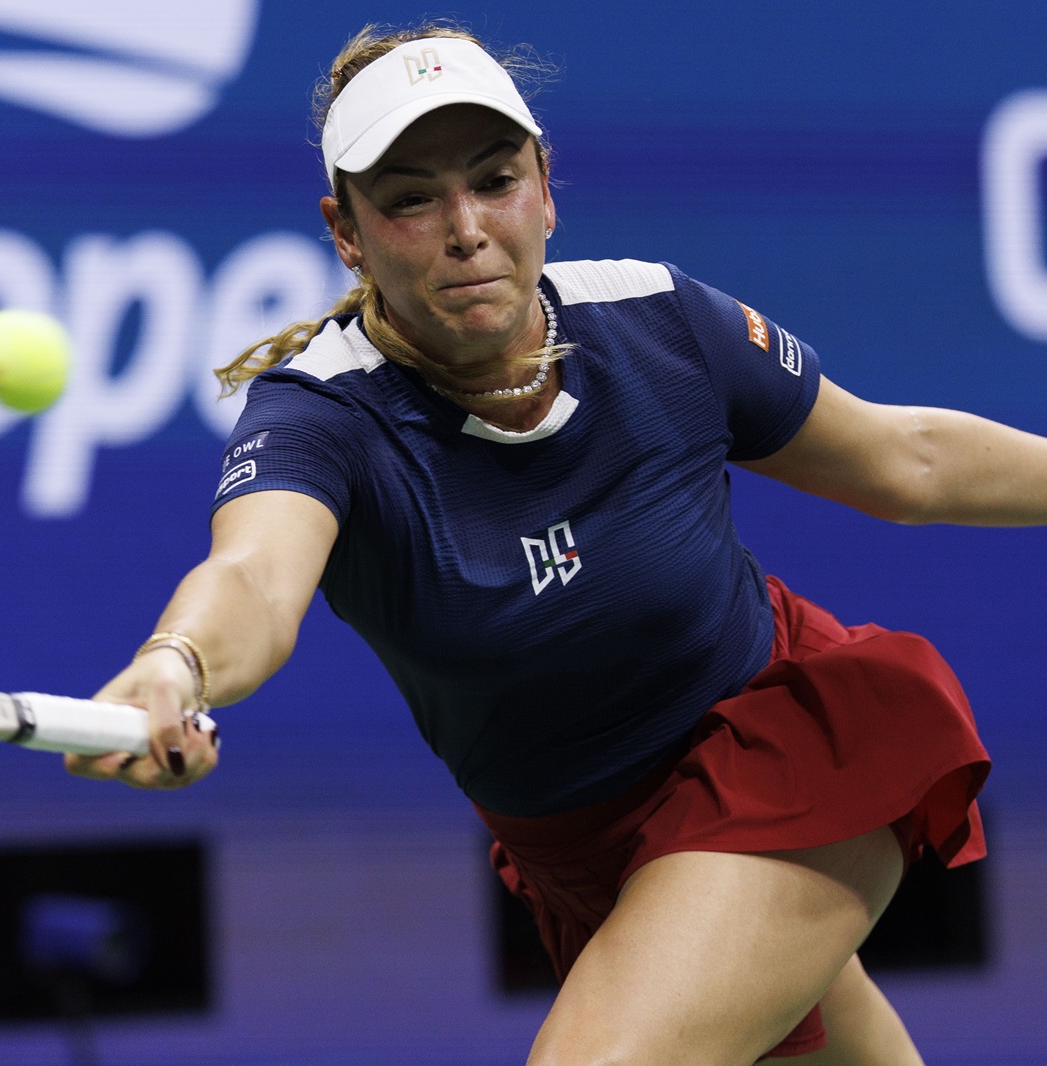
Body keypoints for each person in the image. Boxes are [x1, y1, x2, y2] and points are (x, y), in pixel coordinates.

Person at [64, 21, 1028, 1064]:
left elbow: (908, 461)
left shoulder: (662, 323)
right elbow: (252, 575)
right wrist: (178, 660)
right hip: (583, 851)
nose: (466, 227)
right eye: (411, 199)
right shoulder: (323, 417)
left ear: (545, 187)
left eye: (494, 180)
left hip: (776, 752)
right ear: (346, 231)